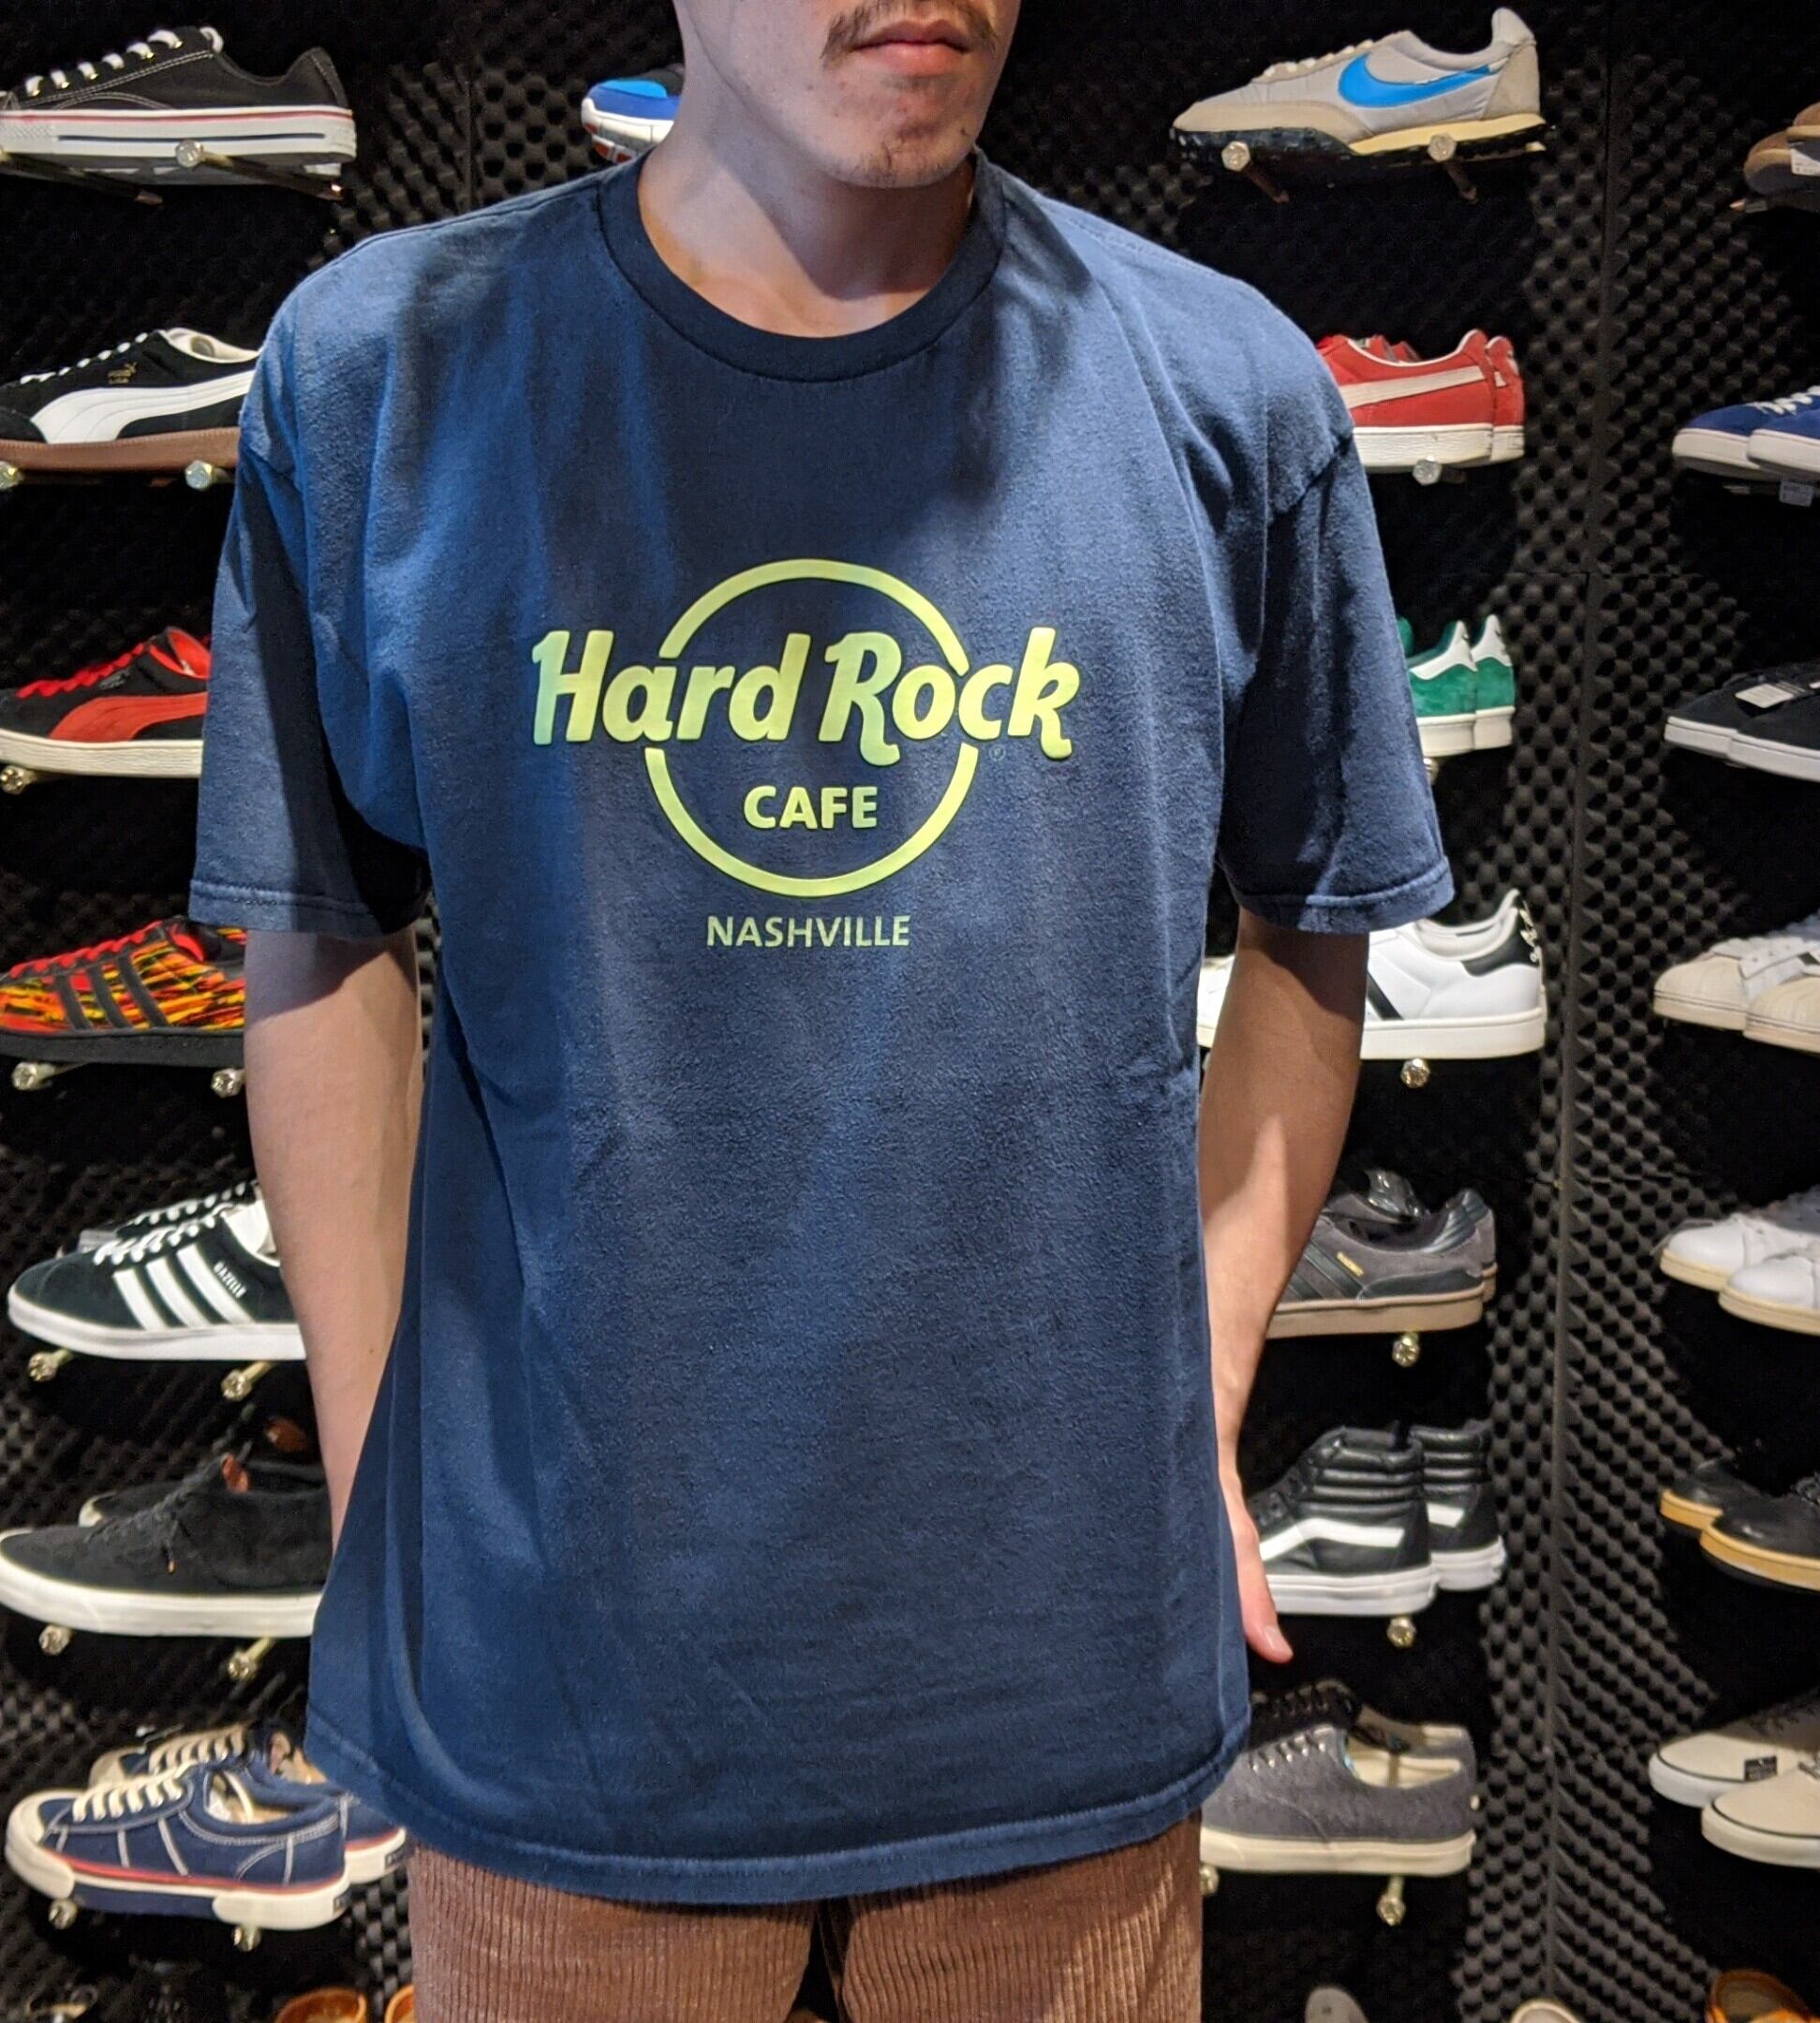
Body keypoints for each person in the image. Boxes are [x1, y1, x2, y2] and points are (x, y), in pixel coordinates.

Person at [190, 1, 1450, 2016]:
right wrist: (377, 1484)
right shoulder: (384, 373)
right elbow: (317, 938)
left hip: (1056, 1694)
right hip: (569, 1706)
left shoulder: (1224, 389)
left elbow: (1317, 920)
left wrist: (1201, 1377)